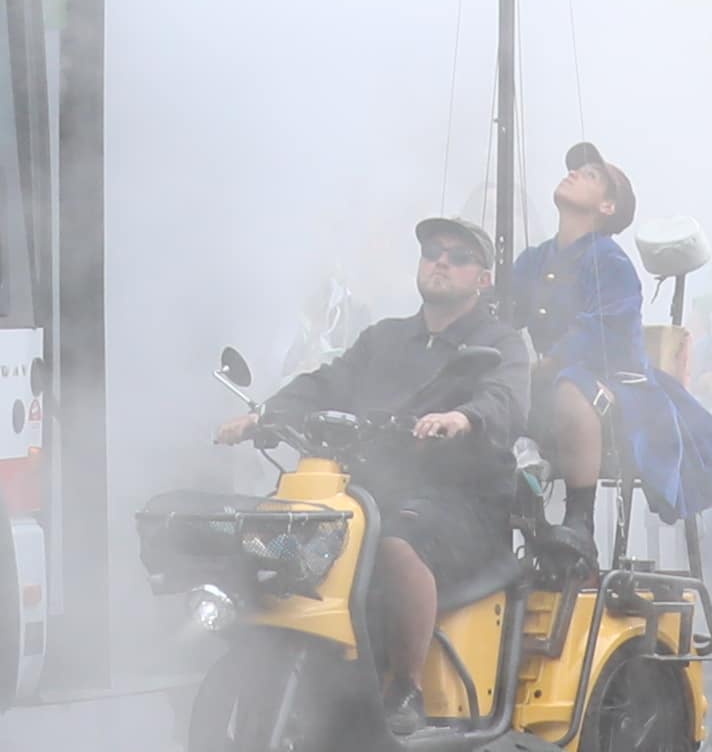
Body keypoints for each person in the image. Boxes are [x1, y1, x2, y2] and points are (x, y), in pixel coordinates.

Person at [236, 215, 533, 718]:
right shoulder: (383, 338)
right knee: (274, 532)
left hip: (463, 503)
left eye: (458, 256)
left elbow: (506, 399)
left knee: (391, 543)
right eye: (432, 251)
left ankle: (407, 689)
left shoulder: (499, 343)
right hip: (372, 492)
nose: (441, 260)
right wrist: (262, 415)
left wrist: (462, 418)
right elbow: (325, 381)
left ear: (483, 279)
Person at [507, 145, 650, 499]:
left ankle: (579, 521)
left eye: (590, 175)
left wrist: (547, 363)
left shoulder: (610, 261)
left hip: (614, 393)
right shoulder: (535, 259)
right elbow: (503, 316)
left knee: (572, 386)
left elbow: (603, 331)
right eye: (576, 169)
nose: (573, 173)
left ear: (608, 207)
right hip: (548, 386)